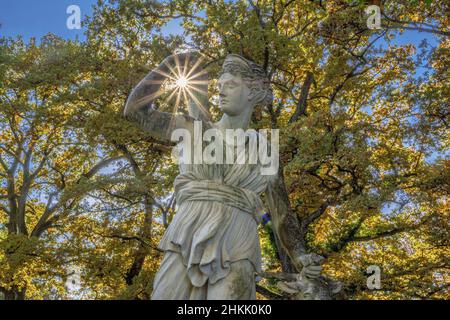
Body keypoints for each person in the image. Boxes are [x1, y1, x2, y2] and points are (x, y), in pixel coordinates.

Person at [123, 52, 323, 300]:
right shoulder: (193, 128)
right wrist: (167, 67)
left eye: (230, 85)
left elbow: (280, 214)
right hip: (187, 230)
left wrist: (300, 255)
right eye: (220, 86)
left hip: (238, 238)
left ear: (252, 92)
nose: (221, 92)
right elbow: (135, 112)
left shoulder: (265, 149)